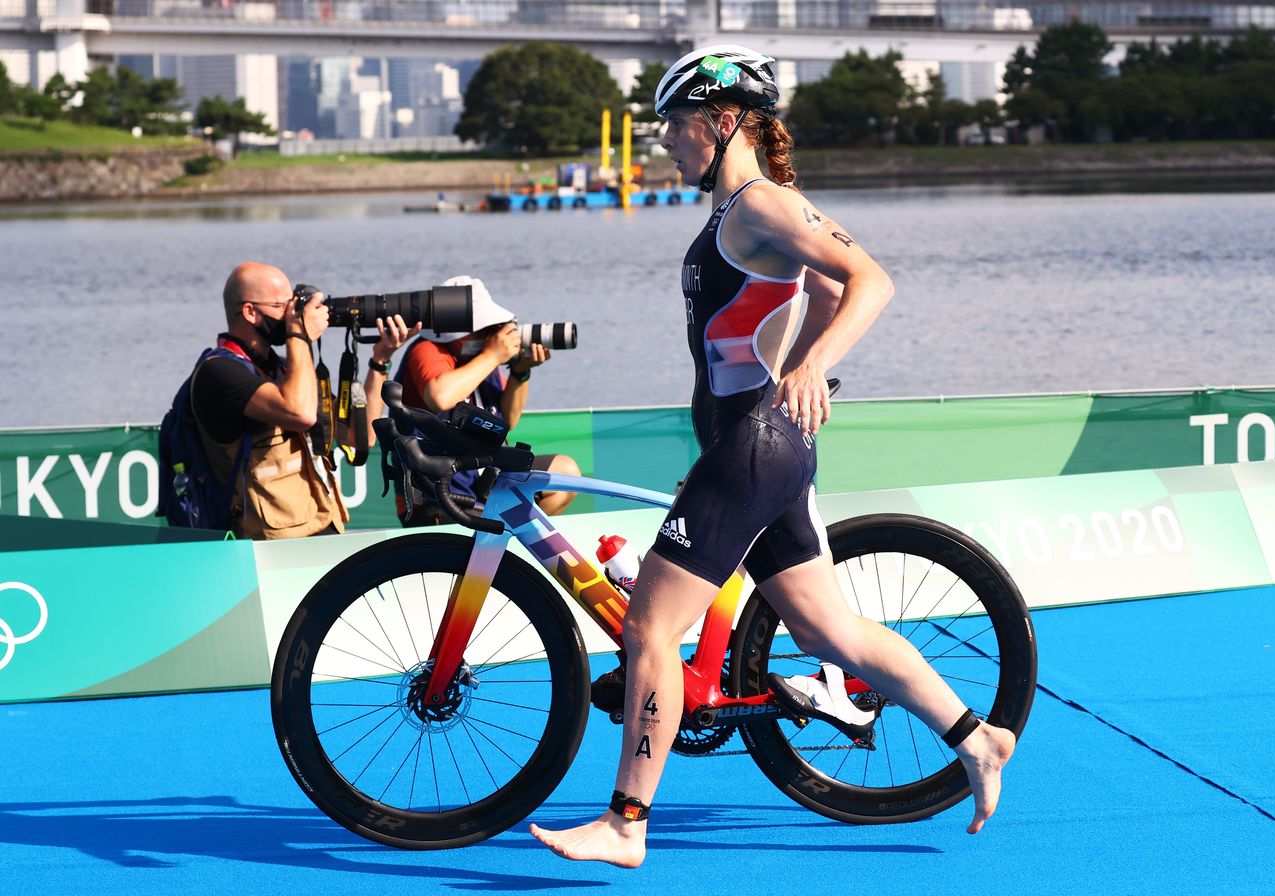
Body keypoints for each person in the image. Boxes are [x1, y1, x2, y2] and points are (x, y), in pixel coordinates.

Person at [530, 45, 1017, 867]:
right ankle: (978, 738)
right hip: (755, 450)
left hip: (757, 447)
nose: (667, 144)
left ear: (723, 124)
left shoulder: (761, 206)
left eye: (677, 127)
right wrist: (798, 357)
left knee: (649, 627)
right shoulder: (738, 215)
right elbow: (820, 291)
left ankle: (626, 821)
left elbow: (869, 280)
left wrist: (811, 365)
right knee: (830, 632)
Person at [192, 261, 416, 539]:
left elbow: (360, 438)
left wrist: (380, 360)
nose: (290, 313)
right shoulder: (219, 372)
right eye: (281, 306)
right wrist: (299, 334)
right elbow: (300, 414)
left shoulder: (284, 370)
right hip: (270, 548)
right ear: (250, 311)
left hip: (323, 527)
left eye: (293, 306)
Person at [393, 275, 579, 525]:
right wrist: (493, 355)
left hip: (480, 480)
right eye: (486, 328)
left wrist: (519, 372)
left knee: (564, 474)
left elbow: (508, 419)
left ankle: (504, 548)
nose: (492, 335)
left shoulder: (480, 359)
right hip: (436, 494)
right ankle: (495, 544)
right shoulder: (428, 349)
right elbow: (440, 396)